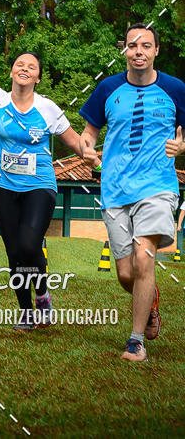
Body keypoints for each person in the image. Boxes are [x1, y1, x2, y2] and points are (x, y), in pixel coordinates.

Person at [0, 49, 89, 330]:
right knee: (14, 253)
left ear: (38, 77)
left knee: (29, 244)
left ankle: (42, 295)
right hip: (4, 187)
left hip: (40, 185)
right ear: (11, 72)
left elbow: (74, 141)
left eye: (31, 66)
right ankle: (26, 312)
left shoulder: (48, 108)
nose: (25, 68)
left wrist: (93, 156)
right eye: (19, 64)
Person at [80, 23, 185, 362]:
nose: (138, 51)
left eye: (146, 46)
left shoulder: (176, 89)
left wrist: (181, 146)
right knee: (126, 273)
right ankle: (149, 299)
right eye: (132, 46)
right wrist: (87, 148)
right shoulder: (107, 88)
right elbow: (89, 132)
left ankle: (135, 341)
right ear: (124, 51)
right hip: (115, 189)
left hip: (157, 187)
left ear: (156, 51)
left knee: (144, 259)